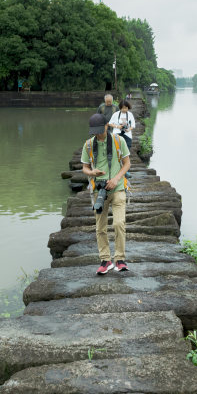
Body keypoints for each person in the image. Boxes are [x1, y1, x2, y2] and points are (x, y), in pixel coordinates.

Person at [81, 113, 130, 275]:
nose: (97, 134)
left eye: (99, 131)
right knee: (100, 227)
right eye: (94, 132)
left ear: (106, 126)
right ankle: (105, 260)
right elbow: (85, 168)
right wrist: (92, 172)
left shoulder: (118, 141)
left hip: (117, 189)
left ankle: (120, 259)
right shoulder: (88, 145)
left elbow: (127, 163)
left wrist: (116, 179)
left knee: (118, 224)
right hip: (98, 191)